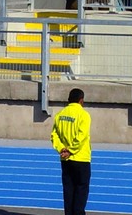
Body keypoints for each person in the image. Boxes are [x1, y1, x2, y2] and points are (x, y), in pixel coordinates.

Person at [51, 85, 93, 215]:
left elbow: (54, 135)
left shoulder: (60, 115)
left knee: (68, 191)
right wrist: (71, 150)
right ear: (81, 100)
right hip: (81, 158)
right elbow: (81, 136)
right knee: (81, 190)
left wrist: (62, 149)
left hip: (65, 159)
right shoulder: (84, 115)